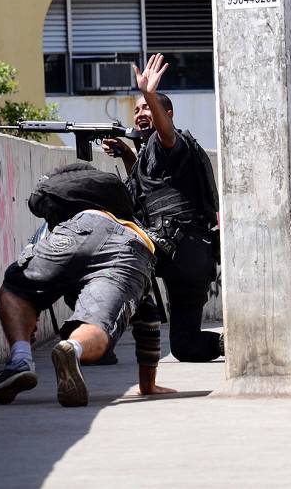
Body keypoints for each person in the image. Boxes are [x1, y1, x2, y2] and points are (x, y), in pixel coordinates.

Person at [0, 164, 175, 407]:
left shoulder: (53, 225)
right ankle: (72, 347)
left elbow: (26, 281)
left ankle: (20, 359)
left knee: (17, 288)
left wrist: (28, 321)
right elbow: (149, 320)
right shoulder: (131, 222)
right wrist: (148, 385)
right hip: (131, 245)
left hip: (80, 227)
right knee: (99, 322)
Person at [104, 53, 223, 363]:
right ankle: (237, 343)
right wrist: (127, 155)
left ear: (166, 113)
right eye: (137, 110)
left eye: (147, 108)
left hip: (178, 250)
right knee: (185, 346)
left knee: (106, 262)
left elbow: (166, 133)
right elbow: (149, 191)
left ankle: (93, 340)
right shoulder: (150, 153)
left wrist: (149, 93)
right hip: (188, 255)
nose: (141, 113)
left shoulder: (170, 141)